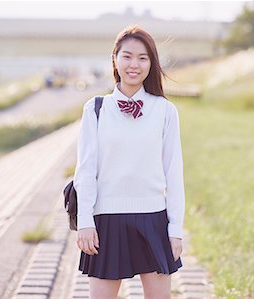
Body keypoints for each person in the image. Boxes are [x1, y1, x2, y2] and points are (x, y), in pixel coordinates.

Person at [74, 25, 185, 299]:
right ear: (115, 59)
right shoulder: (96, 109)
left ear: (152, 63)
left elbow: (174, 174)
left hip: (153, 219)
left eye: (143, 58)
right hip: (106, 220)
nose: (134, 64)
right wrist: (86, 220)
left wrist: (176, 229)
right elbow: (85, 170)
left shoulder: (165, 111)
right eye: (127, 56)